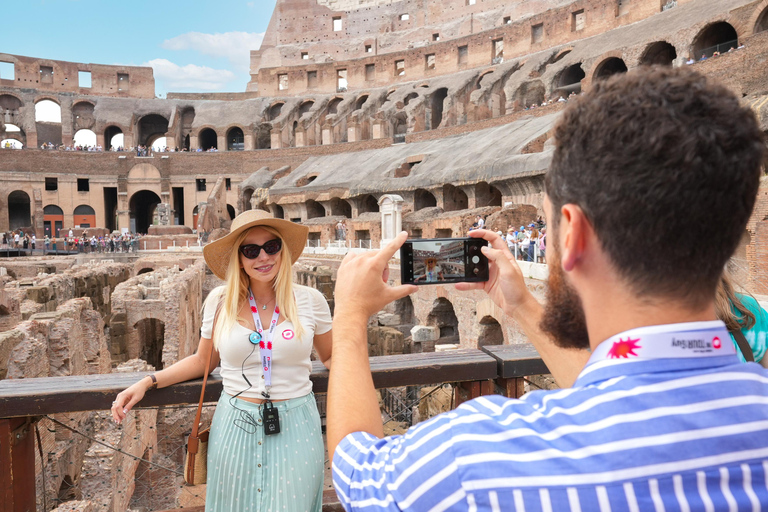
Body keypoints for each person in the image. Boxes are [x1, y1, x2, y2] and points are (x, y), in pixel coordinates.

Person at [326, 67, 768, 510]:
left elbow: (357, 472)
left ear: (573, 234)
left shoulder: (476, 457)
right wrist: (519, 305)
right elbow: (630, 390)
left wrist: (347, 318)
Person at [111, 210, 332, 512]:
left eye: (272, 246)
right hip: (235, 424)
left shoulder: (310, 300)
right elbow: (203, 361)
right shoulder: (219, 301)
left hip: (295, 422)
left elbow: (332, 356)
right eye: (251, 250)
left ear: (283, 249)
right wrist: (147, 382)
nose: (263, 257)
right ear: (239, 258)